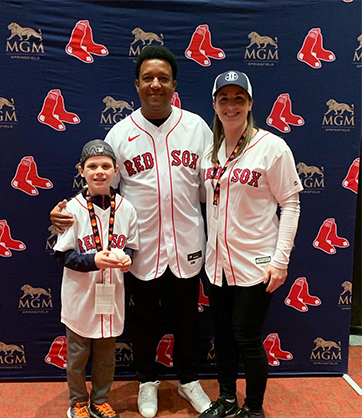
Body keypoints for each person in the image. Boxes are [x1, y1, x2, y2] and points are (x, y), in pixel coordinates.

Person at [51, 45, 212, 418]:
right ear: (137, 84)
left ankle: (189, 380)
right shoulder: (121, 132)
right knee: (144, 320)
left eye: (163, 78)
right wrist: (62, 211)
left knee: (188, 317)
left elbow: (213, 186)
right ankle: (147, 382)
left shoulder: (197, 127)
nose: (156, 84)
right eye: (148, 78)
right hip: (139, 247)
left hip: (188, 240)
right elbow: (99, 189)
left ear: (174, 84)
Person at [199, 70, 303, 418]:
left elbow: (290, 203)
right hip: (216, 263)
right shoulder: (210, 152)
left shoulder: (272, 147)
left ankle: (254, 408)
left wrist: (280, 260)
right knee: (223, 336)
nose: (231, 106)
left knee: (246, 337)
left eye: (238, 99)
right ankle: (227, 399)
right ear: (214, 104)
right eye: (224, 99)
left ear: (250, 103)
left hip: (256, 263)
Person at [53, 140, 139, 418]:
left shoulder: (126, 208)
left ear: (116, 170)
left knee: (105, 359)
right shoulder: (71, 209)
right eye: (92, 166)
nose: (99, 172)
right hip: (80, 297)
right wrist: (93, 260)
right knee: (77, 358)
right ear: (81, 171)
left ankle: (100, 400)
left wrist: (126, 258)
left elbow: (131, 247)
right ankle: (78, 402)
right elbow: (63, 256)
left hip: (111, 296)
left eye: (105, 166)